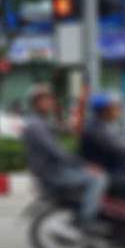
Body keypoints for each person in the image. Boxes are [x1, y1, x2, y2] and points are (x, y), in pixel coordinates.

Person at [23, 84, 104, 231]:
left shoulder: (43, 121)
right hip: (51, 173)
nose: (49, 103)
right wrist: (84, 165)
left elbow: (68, 130)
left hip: (55, 169)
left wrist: (80, 111)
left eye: (50, 99)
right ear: (35, 104)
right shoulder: (35, 125)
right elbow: (56, 152)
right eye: (44, 100)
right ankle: (85, 221)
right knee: (98, 178)